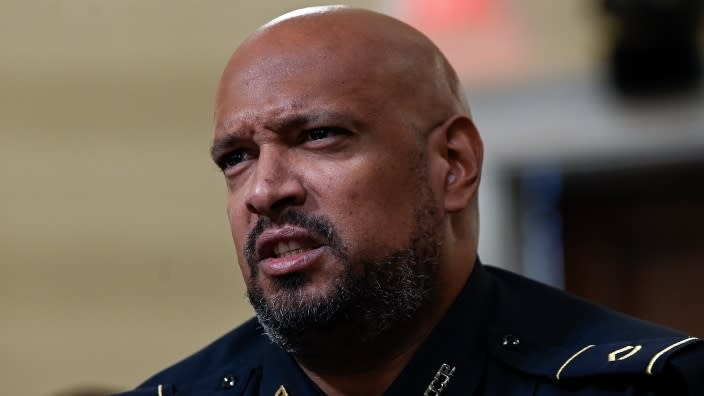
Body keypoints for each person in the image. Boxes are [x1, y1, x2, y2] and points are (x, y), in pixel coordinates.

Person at [114, 6, 703, 396]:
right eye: (236, 158)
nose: (266, 190)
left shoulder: (642, 385)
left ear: (454, 165)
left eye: (318, 136)